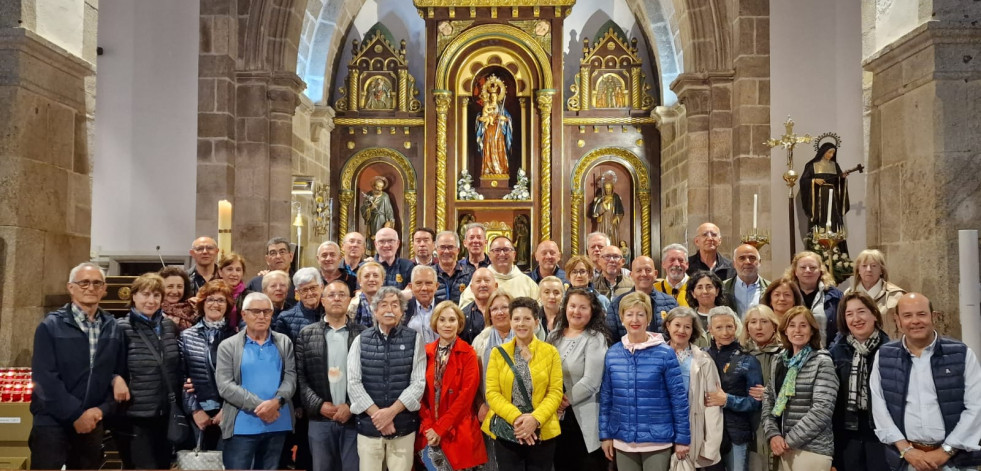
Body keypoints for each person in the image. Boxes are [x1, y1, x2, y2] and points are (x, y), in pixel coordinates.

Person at [30, 262, 128, 470]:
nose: (90, 288)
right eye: (83, 283)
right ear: (70, 287)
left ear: (104, 289)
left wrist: (100, 411)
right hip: (52, 421)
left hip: (92, 421)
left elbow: (119, 373)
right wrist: (75, 415)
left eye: (96, 283)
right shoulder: (50, 326)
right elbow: (45, 378)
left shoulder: (113, 327)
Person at [870, 293, 981, 471]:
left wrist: (946, 451)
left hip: (955, 460)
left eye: (921, 314)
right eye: (907, 315)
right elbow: (879, 408)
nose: (915, 321)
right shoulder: (884, 356)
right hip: (908, 460)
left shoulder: (961, 354)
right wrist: (906, 450)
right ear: (897, 320)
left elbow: (976, 406)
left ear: (933, 317)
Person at [599, 294, 692, 471]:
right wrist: (605, 436)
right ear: (621, 318)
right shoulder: (613, 353)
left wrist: (682, 439)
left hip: (657, 441)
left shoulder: (665, 353)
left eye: (640, 314)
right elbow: (606, 398)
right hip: (623, 440)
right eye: (629, 314)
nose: (635, 319)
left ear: (648, 318)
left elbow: (678, 399)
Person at [347, 286, 427, 471]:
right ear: (375, 311)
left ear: (402, 311)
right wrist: (379, 417)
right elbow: (353, 383)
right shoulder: (361, 339)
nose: (389, 310)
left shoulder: (414, 339)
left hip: (403, 426)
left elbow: (418, 383)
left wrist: (390, 413)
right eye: (383, 305)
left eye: (395, 305)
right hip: (369, 427)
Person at [216, 292, 297, 470]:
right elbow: (225, 386)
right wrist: (261, 407)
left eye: (266, 312)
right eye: (255, 311)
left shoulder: (284, 342)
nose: (261, 316)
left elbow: (291, 377)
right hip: (241, 427)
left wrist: (277, 402)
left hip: (277, 422)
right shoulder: (228, 346)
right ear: (244, 314)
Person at [482, 297, 564, 470]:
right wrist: (518, 419)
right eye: (516, 319)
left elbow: (555, 392)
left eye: (527, 319)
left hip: (542, 432)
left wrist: (534, 419)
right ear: (510, 321)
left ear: (536, 322)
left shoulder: (550, 352)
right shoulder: (498, 353)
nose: (521, 324)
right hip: (507, 430)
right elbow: (492, 393)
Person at [114, 273, 182, 470]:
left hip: (166, 413)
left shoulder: (169, 326)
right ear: (133, 296)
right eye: (145, 294)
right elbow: (109, 366)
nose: (151, 301)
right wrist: (115, 378)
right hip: (135, 415)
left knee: (162, 466)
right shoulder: (121, 328)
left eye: (156, 295)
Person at [296, 279, 366, 471]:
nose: (336, 299)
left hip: (353, 419)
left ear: (350, 300)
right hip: (320, 419)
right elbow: (300, 378)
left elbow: (370, 377)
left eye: (342, 295)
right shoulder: (306, 334)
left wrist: (351, 406)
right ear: (323, 300)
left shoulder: (364, 335)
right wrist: (319, 405)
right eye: (331, 295)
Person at [761, 306, 838, 471]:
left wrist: (789, 441)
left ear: (812, 331)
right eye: (792, 325)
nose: (797, 330)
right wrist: (773, 435)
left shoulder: (822, 362)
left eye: (803, 325)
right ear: (785, 331)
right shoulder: (779, 361)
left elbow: (822, 410)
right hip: (783, 448)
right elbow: (768, 399)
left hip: (812, 450)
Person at [416, 302, 489, 470]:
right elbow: (418, 394)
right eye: (442, 320)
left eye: (452, 320)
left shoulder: (468, 353)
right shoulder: (425, 352)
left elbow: (466, 397)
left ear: (459, 324)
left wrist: (440, 428)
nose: (447, 325)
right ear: (435, 323)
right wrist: (428, 427)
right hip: (429, 432)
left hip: (459, 431)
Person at [546, 288, 611, 471]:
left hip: (584, 420)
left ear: (592, 311)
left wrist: (562, 400)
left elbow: (591, 381)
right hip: (557, 419)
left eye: (583, 307)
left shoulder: (595, 338)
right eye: (572, 306)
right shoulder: (553, 336)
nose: (576, 311)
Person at [829, 292, 889, 471]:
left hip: (881, 435)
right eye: (849, 314)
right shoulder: (836, 352)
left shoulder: (890, 351)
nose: (856, 319)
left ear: (874, 314)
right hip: (846, 435)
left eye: (861, 311)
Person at [272, 268, 325, 470]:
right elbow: (285, 361)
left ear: (321, 287)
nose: (310, 293)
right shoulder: (285, 319)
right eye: (304, 290)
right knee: (303, 449)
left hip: (327, 390)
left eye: (313, 288)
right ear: (297, 293)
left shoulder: (332, 311)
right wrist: (296, 401)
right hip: (299, 394)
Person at [662, 306, 724, 469]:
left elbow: (712, 405)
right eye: (677, 325)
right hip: (661, 431)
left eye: (687, 327)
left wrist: (710, 446)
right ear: (668, 326)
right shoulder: (655, 355)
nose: (681, 330)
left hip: (692, 430)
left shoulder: (704, 361)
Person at [180, 279, 237, 451]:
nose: (215, 304)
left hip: (228, 410)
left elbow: (241, 377)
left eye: (221, 300)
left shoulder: (236, 336)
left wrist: (227, 409)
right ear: (202, 303)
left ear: (227, 305)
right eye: (210, 299)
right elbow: (181, 377)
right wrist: (195, 410)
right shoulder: (186, 336)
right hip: (197, 412)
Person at [705, 306, 764, 471]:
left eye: (729, 326)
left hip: (736, 434)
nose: (725, 332)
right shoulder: (702, 356)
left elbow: (755, 402)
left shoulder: (747, 359)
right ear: (709, 330)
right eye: (719, 327)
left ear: (736, 327)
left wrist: (727, 400)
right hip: (708, 432)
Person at [739, 305, 783, 471]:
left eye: (764, 321)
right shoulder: (740, 355)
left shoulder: (785, 353)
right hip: (749, 423)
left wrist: (770, 394)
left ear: (774, 325)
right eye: (753, 322)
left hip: (778, 422)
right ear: (746, 327)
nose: (758, 327)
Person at [606, 256, 679, 343]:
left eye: (648, 270)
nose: (644, 274)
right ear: (631, 275)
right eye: (639, 270)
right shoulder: (617, 303)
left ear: (655, 274)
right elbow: (611, 338)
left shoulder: (670, 303)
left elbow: (676, 336)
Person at [459, 236, 539, 307]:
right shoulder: (480, 280)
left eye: (506, 250)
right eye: (497, 250)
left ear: (514, 254)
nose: (502, 254)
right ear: (489, 255)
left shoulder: (527, 283)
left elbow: (538, 312)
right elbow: (466, 309)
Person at [842, 249, 905, 338]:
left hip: (888, 347)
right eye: (864, 266)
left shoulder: (895, 295)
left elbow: (903, 328)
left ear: (881, 270)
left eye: (874, 266)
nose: (869, 270)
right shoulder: (848, 295)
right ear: (858, 270)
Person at [784, 251, 842, 347]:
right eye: (803, 267)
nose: (808, 270)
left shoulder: (835, 296)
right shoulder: (787, 294)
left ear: (820, 271)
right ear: (795, 271)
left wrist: (832, 350)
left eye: (813, 267)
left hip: (827, 352)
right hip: (792, 353)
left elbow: (842, 328)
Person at [800, 143, 848, 234]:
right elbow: (803, 181)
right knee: (820, 223)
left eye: (833, 153)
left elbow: (838, 181)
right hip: (819, 201)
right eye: (829, 152)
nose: (831, 155)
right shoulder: (811, 165)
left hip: (833, 200)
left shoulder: (835, 165)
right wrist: (814, 180)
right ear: (823, 151)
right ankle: (817, 246)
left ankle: (835, 246)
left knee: (834, 222)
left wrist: (842, 178)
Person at [475, 75, 513, 177]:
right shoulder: (486, 107)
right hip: (488, 130)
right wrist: (483, 119)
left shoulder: (501, 109)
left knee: (498, 147)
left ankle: (500, 169)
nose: (493, 98)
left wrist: (503, 118)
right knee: (488, 147)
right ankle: (488, 169)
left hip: (499, 131)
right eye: (491, 97)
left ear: (498, 97)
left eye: (495, 96)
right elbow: (480, 117)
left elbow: (508, 119)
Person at [245, 238, 297, 307]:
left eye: (282, 252)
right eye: (273, 253)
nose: (278, 256)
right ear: (267, 259)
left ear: (291, 256)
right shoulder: (256, 283)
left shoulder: (299, 283)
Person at [723, 244, 770, 318]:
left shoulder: (770, 288)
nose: (747, 262)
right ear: (734, 264)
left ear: (760, 262)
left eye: (752, 258)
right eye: (742, 258)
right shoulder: (723, 287)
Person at [685, 270, 727, 347]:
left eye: (709, 287)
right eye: (699, 287)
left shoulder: (728, 316)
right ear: (693, 293)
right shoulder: (687, 318)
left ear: (717, 291)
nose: (705, 291)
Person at [433, 230, 473, 305]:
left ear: (458, 250)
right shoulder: (429, 275)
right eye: (442, 247)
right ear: (436, 250)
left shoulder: (470, 274)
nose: (446, 251)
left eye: (450, 247)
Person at [403, 264, 439, 344]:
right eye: (418, 283)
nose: (424, 288)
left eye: (428, 283)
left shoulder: (445, 308)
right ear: (411, 286)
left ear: (436, 286)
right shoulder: (403, 310)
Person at [361, 176, 396, 253]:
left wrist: (389, 221)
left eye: (381, 187)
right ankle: (372, 253)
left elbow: (389, 210)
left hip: (382, 219)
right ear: (374, 186)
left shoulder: (385, 196)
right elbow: (363, 208)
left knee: (382, 236)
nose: (379, 189)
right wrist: (370, 208)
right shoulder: (369, 195)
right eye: (377, 187)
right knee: (372, 236)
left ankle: (381, 251)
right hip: (372, 219)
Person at [460, 267, 495, 344]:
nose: (483, 284)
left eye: (487, 280)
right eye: (478, 281)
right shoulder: (463, 315)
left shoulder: (505, 313)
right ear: (471, 288)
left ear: (496, 286)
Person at [589, 173, 625, 246]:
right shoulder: (600, 197)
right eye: (606, 189)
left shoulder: (616, 197)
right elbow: (595, 212)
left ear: (612, 188)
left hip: (612, 221)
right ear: (604, 189)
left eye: (609, 188)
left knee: (612, 238)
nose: (608, 190)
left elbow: (620, 211)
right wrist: (604, 203)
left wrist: (617, 218)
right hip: (603, 222)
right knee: (603, 237)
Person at [348, 261, 385, 328]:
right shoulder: (353, 305)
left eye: (375, 275)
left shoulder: (390, 304)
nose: (371, 279)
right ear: (360, 281)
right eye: (366, 276)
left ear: (382, 280)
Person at [160, 265, 197, 331]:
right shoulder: (153, 311)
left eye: (179, 287)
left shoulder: (194, 309)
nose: (175, 291)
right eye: (170, 286)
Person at [219, 252, 248, 327]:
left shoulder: (249, 296)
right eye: (229, 269)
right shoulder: (213, 293)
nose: (234, 274)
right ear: (220, 272)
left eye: (238, 270)